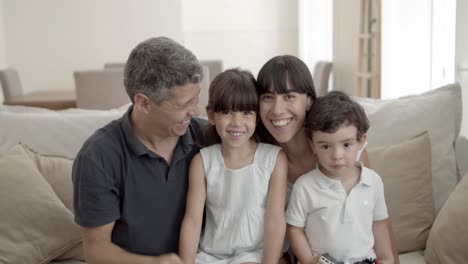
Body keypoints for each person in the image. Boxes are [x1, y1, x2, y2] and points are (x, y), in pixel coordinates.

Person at [72, 37, 207, 264]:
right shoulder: (98, 156)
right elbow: (96, 249)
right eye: (184, 104)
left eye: (197, 98)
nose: (195, 110)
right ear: (144, 103)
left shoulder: (207, 137)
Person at [256, 55, 399, 264]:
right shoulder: (261, 158)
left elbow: (376, 220)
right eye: (268, 97)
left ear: (309, 100)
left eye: (289, 96)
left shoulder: (351, 153)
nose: (277, 109)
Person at [179, 68, 288, 264]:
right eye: (227, 112)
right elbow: (192, 222)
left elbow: (275, 220)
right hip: (210, 255)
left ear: (257, 116)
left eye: (246, 113)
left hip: (255, 254)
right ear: (211, 115)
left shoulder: (274, 159)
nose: (237, 123)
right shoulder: (202, 161)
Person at [286, 91, 394, 264]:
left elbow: (379, 224)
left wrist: (387, 259)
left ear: (361, 141)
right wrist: (308, 261)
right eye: (326, 146)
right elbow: (294, 229)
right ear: (312, 145)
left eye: (346, 145)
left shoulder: (373, 182)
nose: (337, 156)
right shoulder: (305, 186)